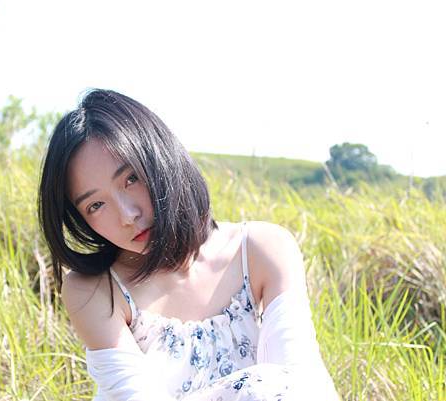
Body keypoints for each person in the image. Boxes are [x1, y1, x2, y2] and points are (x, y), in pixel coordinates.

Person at [38, 89, 340, 400]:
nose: (127, 215)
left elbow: (302, 380)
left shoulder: (261, 249)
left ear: (160, 156)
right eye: (96, 205)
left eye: (131, 179)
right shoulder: (96, 291)